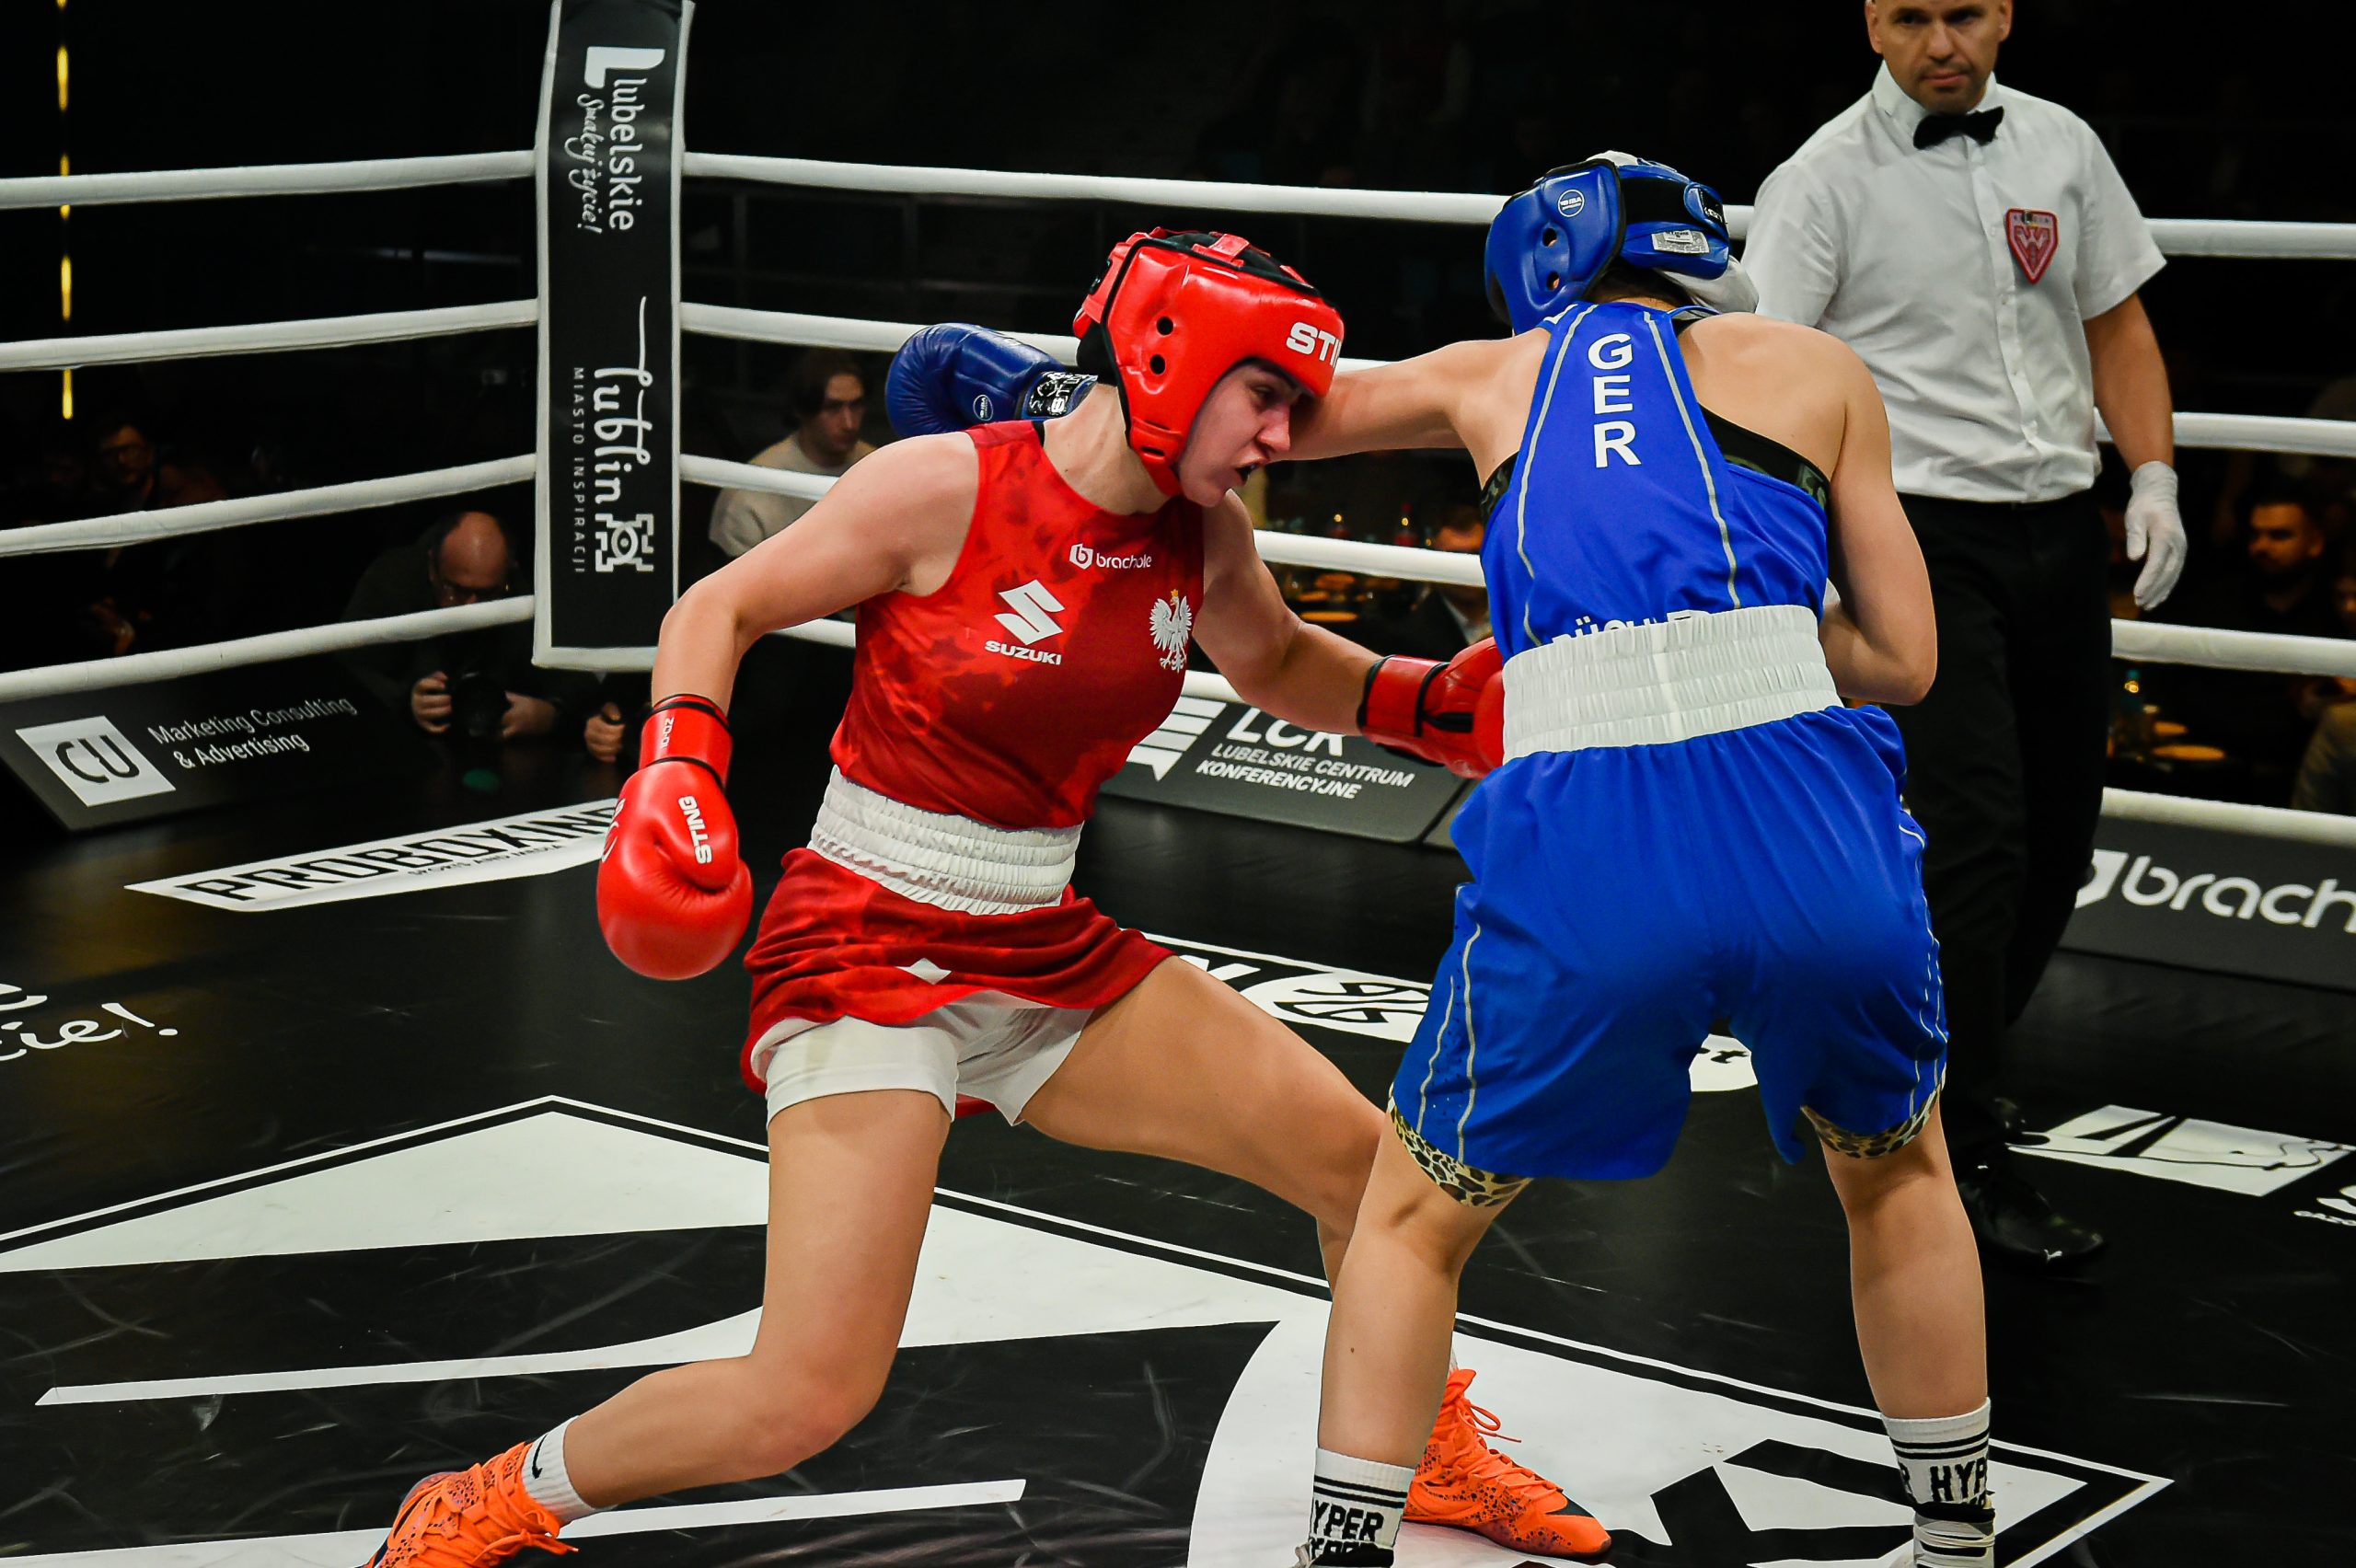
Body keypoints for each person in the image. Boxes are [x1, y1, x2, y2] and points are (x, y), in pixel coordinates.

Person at [357, 230, 1599, 1566]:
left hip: (1045, 942)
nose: (1283, 436)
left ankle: (1420, 1448)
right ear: (1168, 361)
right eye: (1264, 397)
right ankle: (492, 1496)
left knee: (1376, 1180)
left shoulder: (1205, 531)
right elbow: (718, 609)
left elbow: (1280, 661)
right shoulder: (942, 485)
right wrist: (676, 763)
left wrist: (1423, 706)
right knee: (806, 1394)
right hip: (869, 939)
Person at [1267, 155, 1985, 1568]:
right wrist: (1747, 631)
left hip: (1595, 831)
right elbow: (1906, 660)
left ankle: (1342, 1555)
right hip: (1810, 823)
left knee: (1409, 1222)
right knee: (1903, 1178)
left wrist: (1074, 388)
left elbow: (1254, 417)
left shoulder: (1491, 374)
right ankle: (1961, 1544)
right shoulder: (1820, 369)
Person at [1742, 0, 2185, 1267]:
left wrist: (2152, 474)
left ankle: (1950, 1069)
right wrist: (1793, 559)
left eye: (1965, 14)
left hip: (2060, 529)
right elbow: (1765, 373)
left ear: (2005, 16)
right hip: (1917, 535)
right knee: (1974, 840)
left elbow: (2116, 324)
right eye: (1913, 17)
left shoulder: (2062, 144)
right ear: (1872, 24)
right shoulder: (1821, 180)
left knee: (2059, 834)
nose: (1942, 43)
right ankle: (1963, 1144)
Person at [339, 509, 604, 755]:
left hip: (505, 756)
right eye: (457, 590)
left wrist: (547, 714)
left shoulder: (523, 597)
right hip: (403, 753)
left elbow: (581, 683)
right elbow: (343, 674)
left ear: (508, 576)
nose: (472, 607)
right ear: (432, 568)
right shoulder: (393, 583)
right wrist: (404, 702)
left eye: (486, 594)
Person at [707, 349, 877, 559]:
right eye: (833, 407)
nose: (849, 423)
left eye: (856, 405)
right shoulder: (749, 496)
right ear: (802, 409)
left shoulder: (883, 470)